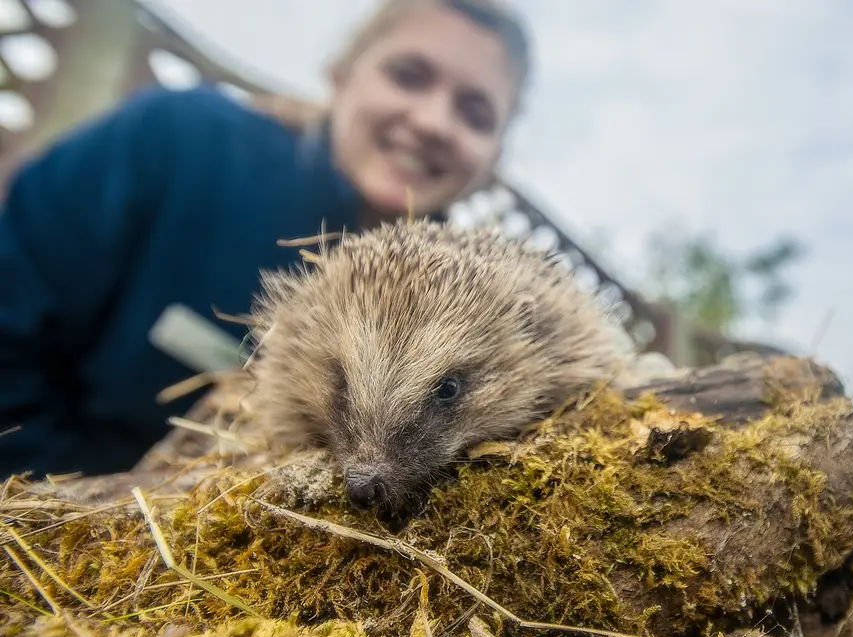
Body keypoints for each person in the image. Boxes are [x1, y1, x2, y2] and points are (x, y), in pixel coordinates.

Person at [0, 0, 533, 480]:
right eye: (408, 75)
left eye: (475, 113)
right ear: (340, 75)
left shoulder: (491, 307)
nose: (433, 121)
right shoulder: (177, 141)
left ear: (495, 158)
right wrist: (65, 518)